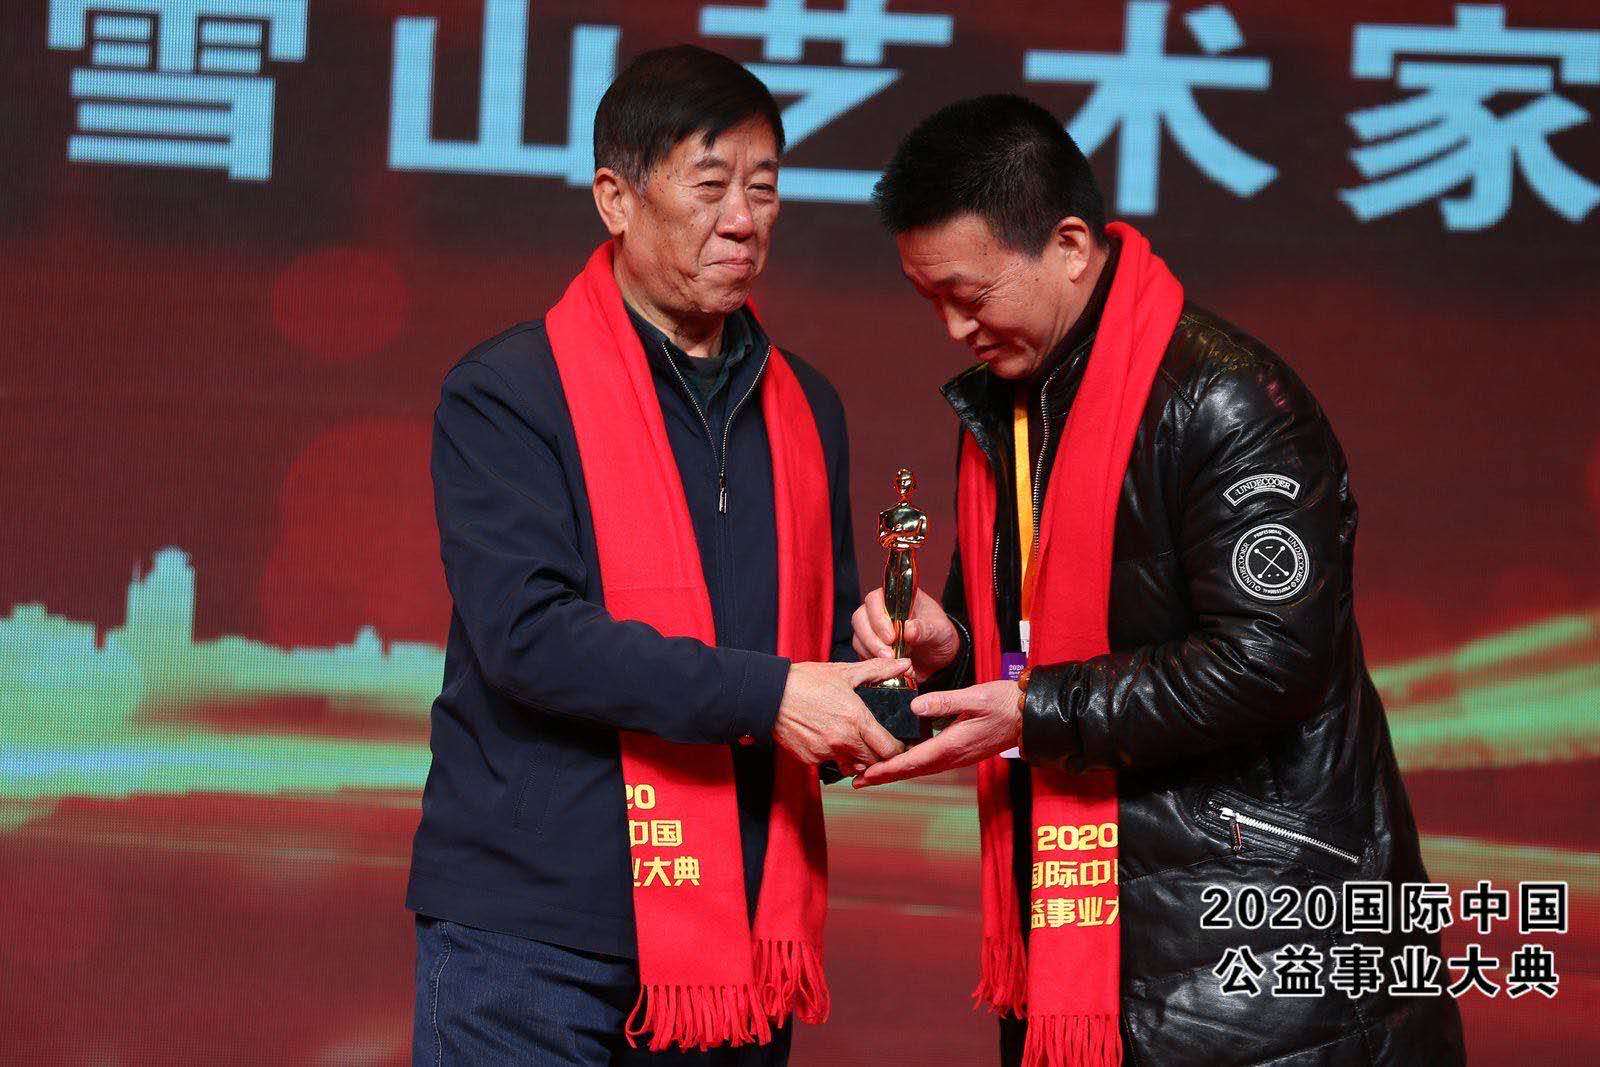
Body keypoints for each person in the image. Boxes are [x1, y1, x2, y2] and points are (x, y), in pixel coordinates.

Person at [851, 95, 1465, 1066]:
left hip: (1269, 972)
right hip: (1102, 948)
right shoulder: (1015, 406)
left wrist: (1035, 707)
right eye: (929, 297)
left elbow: (1273, 658)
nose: (952, 326)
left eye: (968, 293)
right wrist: (950, 647)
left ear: (1067, 245)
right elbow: (1027, 654)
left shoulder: (1226, 400)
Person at [407, 45, 907, 1065]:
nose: (744, 220)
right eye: (710, 186)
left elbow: (825, 668)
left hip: (739, 928)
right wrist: (771, 693)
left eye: (764, 189)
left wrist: (909, 669)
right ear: (615, 199)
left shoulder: (806, 407)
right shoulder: (510, 391)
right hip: (532, 929)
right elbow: (530, 637)